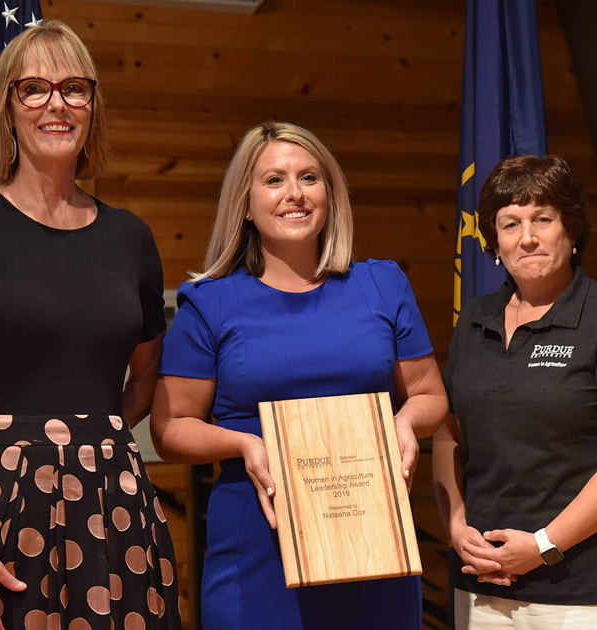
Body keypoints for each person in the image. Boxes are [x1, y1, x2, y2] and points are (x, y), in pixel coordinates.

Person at [0, 21, 180, 630]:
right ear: (8, 107)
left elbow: (150, 371)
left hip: (115, 508)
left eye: (74, 88)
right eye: (34, 88)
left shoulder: (131, 237)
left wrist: (94, 439)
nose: (56, 103)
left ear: (92, 109)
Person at [149, 121, 447, 629]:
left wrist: (404, 425)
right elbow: (170, 426)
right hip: (259, 541)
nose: (295, 194)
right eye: (274, 180)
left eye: (310, 178)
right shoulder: (210, 301)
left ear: (330, 195)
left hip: (374, 539)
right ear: (244, 202)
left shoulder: (382, 284)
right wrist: (245, 445)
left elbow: (428, 395)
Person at [433, 155, 597, 629]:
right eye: (510, 224)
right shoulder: (474, 321)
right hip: (484, 586)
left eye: (543, 219)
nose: (528, 237)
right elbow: (448, 436)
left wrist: (543, 545)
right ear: (494, 241)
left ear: (572, 230)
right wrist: (456, 528)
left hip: (586, 593)